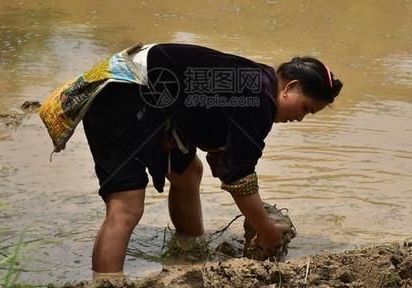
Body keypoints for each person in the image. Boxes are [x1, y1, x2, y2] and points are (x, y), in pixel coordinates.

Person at [81, 43, 342, 273]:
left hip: (148, 97)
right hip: (119, 94)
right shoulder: (259, 98)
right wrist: (265, 229)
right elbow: (239, 175)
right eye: (305, 108)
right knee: (126, 207)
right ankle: (106, 281)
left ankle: (189, 250)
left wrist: (225, 159)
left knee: (188, 171)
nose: (300, 118)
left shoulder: (256, 81)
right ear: (291, 87)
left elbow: (215, 128)